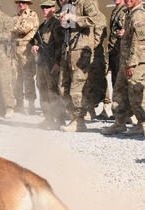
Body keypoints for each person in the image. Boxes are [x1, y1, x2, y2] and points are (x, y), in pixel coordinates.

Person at [57, 0, 103, 132]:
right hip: (68, 49)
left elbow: (97, 18)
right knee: (62, 85)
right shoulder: (68, 4)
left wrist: (74, 18)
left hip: (80, 50)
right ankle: (73, 116)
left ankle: (79, 121)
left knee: (78, 86)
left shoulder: (85, 2)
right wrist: (63, 21)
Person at [102, 0, 144, 136]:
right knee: (119, 92)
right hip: (125, 62)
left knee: (136, 93)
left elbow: (139, 43)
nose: (127, 0)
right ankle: (119, 122)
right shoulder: (129, 13)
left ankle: (142, 123)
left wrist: (131, 64)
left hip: (135, 63)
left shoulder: (138, 15)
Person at [31, 0, 65, 129]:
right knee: (43, 90)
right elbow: (37, 40)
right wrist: (35, 46)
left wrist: (57, 63)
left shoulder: (56, 24)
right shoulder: (43, 25)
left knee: (54, 91)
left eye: (47, 7)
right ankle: (48, 118)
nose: (45, 10)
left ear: (53, 8)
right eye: (43, 8)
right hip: (42, 63)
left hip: (51, 63)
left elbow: (59, 45)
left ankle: (60, 119)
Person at [11, 0, 39, 115]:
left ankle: (31, 104)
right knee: (15, 77)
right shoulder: (15, 16)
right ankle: (19, 103)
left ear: (27, 3)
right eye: (19, 2)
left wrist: (12, 28)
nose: (20, 4)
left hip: (26, 49)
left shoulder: (32, 15)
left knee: (28, 77)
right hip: (14, 49)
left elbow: (24, 29)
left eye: (23, 2)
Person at [108, 0, 128, 87]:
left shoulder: (126, 10)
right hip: (113, 49)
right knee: (115, 77)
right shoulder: (116, 10)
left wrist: (125, 31)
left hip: (120, 49)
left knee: (120, 80)